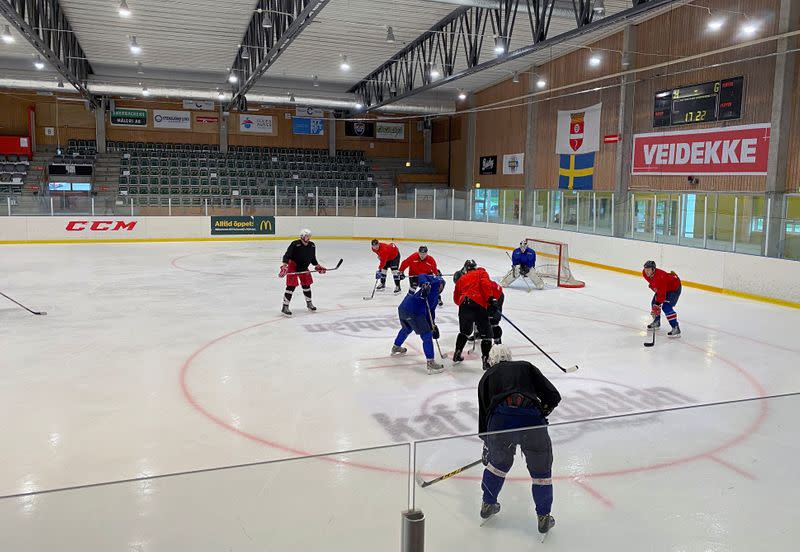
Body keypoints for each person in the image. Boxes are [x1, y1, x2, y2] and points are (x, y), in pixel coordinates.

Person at [477, 344, 561, 534]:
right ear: (510, 357)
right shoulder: (525, 366)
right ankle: (544, 516)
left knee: (497, 465)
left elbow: (484, 416)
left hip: (500, 422)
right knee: (541, 468)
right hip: (531, 419)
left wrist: (487, 446)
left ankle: (488, 504)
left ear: (492, 360)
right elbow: (553, 396)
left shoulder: (487, 376)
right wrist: (542, 412)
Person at [391, 274, 445, 374]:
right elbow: (422, 276)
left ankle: (396, 347)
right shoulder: (436, 283)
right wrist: (425, 284)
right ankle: (430, 363)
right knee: (427, 335)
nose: (441, 288)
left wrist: (432, 325)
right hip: (414, 312)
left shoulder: (435, 295)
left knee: (406, 329)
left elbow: (430, 312)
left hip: (403, 308)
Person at [452, 259, 496, 370]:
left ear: (466, 269)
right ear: (475, 267)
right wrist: (490, 298)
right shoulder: (481, 272)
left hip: (464, 305)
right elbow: (485, 284)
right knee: (487, 334)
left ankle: (457, 353)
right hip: (478, 304)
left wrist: (464, 305)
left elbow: (456, 298)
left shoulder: (461, 278)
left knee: (465, 332)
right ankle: (486, 360)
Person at [279, 229, 327, 316]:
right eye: (306, 236)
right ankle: (285, 306)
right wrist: (284, 266)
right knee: (291, 286)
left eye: (309, 236)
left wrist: (317, 266)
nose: (308, 238)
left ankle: (309, 303)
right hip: (293, 266)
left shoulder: (312, 245)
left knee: (306, 285)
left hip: (304, 267)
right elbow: (287, 255)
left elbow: (312, 259)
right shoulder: (295, 244)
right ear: (302, 236)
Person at [643, 260, 682, 337]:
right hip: (664, 286)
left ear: (653, 269)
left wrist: (657, 305)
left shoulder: (660, 277)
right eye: (645, 269)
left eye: (648, 269)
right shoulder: (644, 273)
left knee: (666, 306)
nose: (646, 271)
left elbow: (662, 294)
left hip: (674, 288)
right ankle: (657, 322)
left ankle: (676, 328)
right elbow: (654, 284)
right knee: (654, 303)